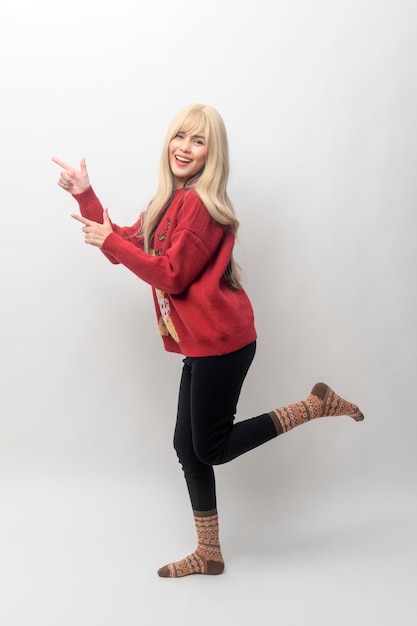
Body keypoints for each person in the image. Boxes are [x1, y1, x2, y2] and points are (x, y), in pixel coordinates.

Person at [52, 103, 364, 578]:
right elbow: (125, 245)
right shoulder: (168, 202)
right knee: (187, 446)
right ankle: (209, 552)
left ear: (211, 154)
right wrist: (86, 194)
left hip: (224, 342)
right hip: (201, 342)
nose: (185, 147)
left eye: (199, 141)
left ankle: (313, 406)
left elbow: (172, 276)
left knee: (210, 447)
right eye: (181, 136)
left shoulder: (199, 205)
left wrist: (112, 243)